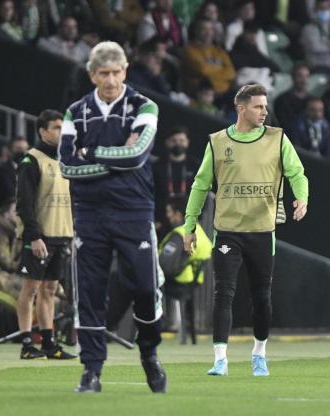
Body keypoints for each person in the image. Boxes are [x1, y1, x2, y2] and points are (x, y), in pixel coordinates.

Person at [58, 41, 167, 393]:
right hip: (89, 213)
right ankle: (91, 371)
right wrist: (110, 158)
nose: (110, 80)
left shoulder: (144, 105)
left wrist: (88, 152)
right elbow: (65, 165)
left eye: (116, 72)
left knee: (146, 289)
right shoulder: (75, 111)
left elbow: (136, 155)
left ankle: (149, 354)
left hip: (134, 209)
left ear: (126, 70)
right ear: (92, 74)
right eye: (103, 73)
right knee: (89, 292)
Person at [183, 84, 308, 377]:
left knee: (261, 296)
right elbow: (200, 185)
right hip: (227, 231)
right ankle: (220, 359)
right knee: (222, 293)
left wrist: (301, 197)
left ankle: (259, 354)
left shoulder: (277, 139)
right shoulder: (217, 142)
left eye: (265, 106)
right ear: (241, 108)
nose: (264, 111)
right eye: (258, 106)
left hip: (263, 230)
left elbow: (297, 172)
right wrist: (189, 225)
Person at [16, 110, 76, 360]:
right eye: (56, 127)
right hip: (40, 236)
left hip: (61, 234)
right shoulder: (32, 161)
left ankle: (50, 344)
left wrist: (71, 235)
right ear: (42, 131)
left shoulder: (65, 160)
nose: (61, 132)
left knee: (50, 289)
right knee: (31, 288)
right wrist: (33, 236)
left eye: (63, 127)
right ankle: (27, 344)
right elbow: (24, 204)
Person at [158, 196, 212, 344]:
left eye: (170, 211)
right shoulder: (200, 232)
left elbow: (165, 265)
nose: (168, 215)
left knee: (140, 284)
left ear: (179, 214)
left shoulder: (180, 234)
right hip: (193, 283)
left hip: (176, 283)